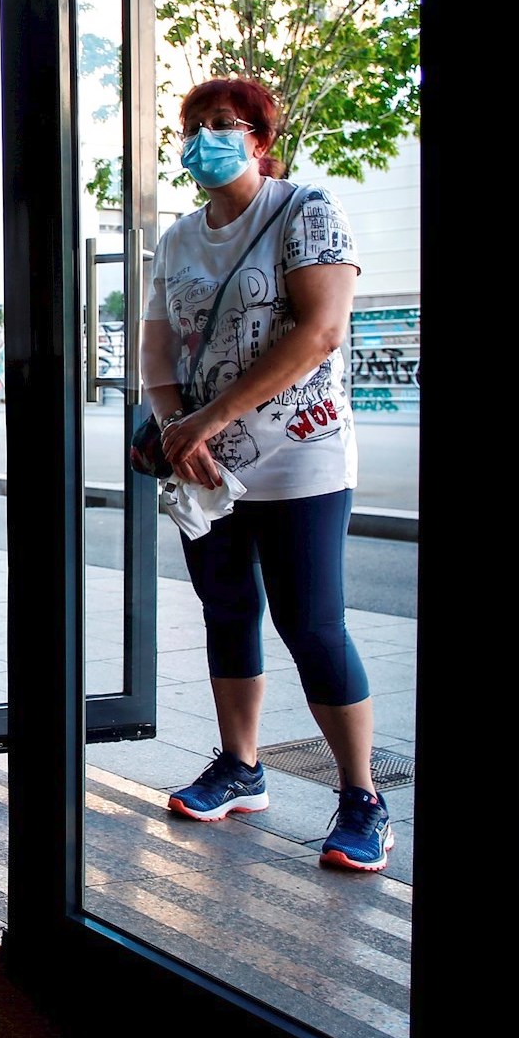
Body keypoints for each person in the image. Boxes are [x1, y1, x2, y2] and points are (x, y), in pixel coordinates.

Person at [144, 77, 390, 873]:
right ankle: (241, 767)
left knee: (311, 621)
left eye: (223, 123)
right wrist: (180, 427)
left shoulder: (305, 209)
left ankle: (362, 797)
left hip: (299, 456)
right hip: (203, 464)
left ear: (259, 138)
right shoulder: (178, 237)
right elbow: (158, 345)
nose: (205, 136)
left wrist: (205, 421)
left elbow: (319, 332)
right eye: (193, 125)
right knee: (227, 610)